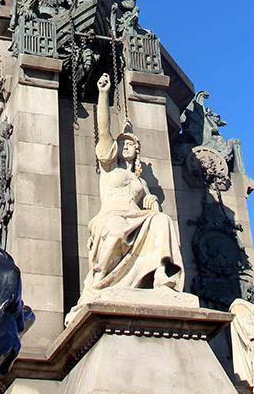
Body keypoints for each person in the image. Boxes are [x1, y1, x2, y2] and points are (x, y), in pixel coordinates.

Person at [77, 73, 184, 302]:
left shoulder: (141, 182)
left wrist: (153, 203)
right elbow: (104, 130)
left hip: (136, 217)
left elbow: (149, 202)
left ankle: (163, 279)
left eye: (130, 144)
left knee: (162, 221)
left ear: (137, 151)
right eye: (122, 143)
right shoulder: (109, 167)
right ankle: (99, 282)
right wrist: (103, 95)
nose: (125, 146)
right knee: (115, 231)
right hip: (113, 216)